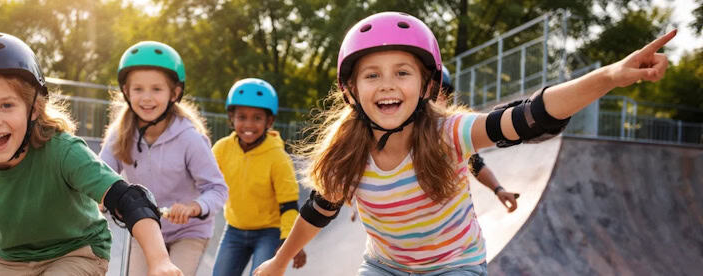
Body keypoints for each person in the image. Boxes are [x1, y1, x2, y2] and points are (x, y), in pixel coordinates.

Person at [255, 12, 675, 275]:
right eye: (372, 75)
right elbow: (320, 210)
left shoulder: (450, 132)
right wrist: (277, 262)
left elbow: (530, 116)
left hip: (455, 265)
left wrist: (609, 76)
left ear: (426, 85)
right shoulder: (347, 150)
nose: (387, 85)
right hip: (385, 267)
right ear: (350, 90)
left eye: (402, 72)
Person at [0, 32, 182, 276]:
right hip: (10, 261)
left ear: (34, 108)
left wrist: (159, 260)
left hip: (77, 251)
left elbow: (129, 199)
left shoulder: (62, 151)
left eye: (7, 105)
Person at [99, 40, 228, 276]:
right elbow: (98, 175)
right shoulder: (120, 134)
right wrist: (96, 199)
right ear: (126, 92)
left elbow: (217, 189)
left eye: (156, 89)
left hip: (188, 231)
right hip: (143, 225)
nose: (146, 98)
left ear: (174, 93)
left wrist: (194, 207)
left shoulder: (189, 138)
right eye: (138, 89)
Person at [211, 78, 306, 276]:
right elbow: (205, 180)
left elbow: (289, 204)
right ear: (232, 118)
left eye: (257, 118)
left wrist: (288, 240)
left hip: (269, 232)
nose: (248, 124)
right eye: (242, 117)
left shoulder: (278, 158)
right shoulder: (221, 149)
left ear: (269, 121)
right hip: (234, 229)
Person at [438, 66, 519, 212]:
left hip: (457, 223)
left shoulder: (452, 129)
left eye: (443, 94)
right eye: (433, 94)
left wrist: (498, 190)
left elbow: (476, 164)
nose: (439, 100)